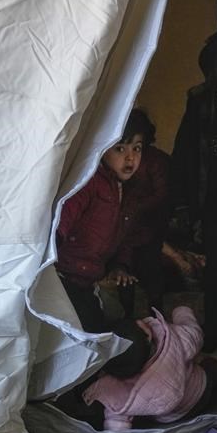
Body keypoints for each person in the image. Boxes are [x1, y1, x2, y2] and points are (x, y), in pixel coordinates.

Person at [56, 112, 151, 333]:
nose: (130, 158)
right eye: (120, 149)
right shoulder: (89, 183)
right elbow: (62, 222)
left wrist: (120, 266)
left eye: (137, 148)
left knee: (120, 312)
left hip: (90, 279)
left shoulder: (128, 192)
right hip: (65, 276)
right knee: (89, 331)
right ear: (103, 148)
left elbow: (124, 238)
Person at [172, 31, 217, 353]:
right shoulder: (201, 100)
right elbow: (185, 154)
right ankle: (216, 326)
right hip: (214, 194)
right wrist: (184, 205)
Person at [82, 306, 217, 431]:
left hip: (167, 417)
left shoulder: (116, 382)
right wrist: (182, 312)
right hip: (199, 393)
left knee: (130, 401)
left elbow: (117, 412)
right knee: (211, 366)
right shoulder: (174, 339)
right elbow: (195, 335)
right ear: (147, 334)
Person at [118, 111, 172, 316]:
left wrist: (135, 207)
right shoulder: (117, 161)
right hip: (123, 226)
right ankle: (128, 316)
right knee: (124, 272)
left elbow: (162, 194)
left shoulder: (156, 161)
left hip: (148, 226)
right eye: (123, 146)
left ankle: (156, 316)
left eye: (137, 147)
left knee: (151, 271)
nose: (130, 155)